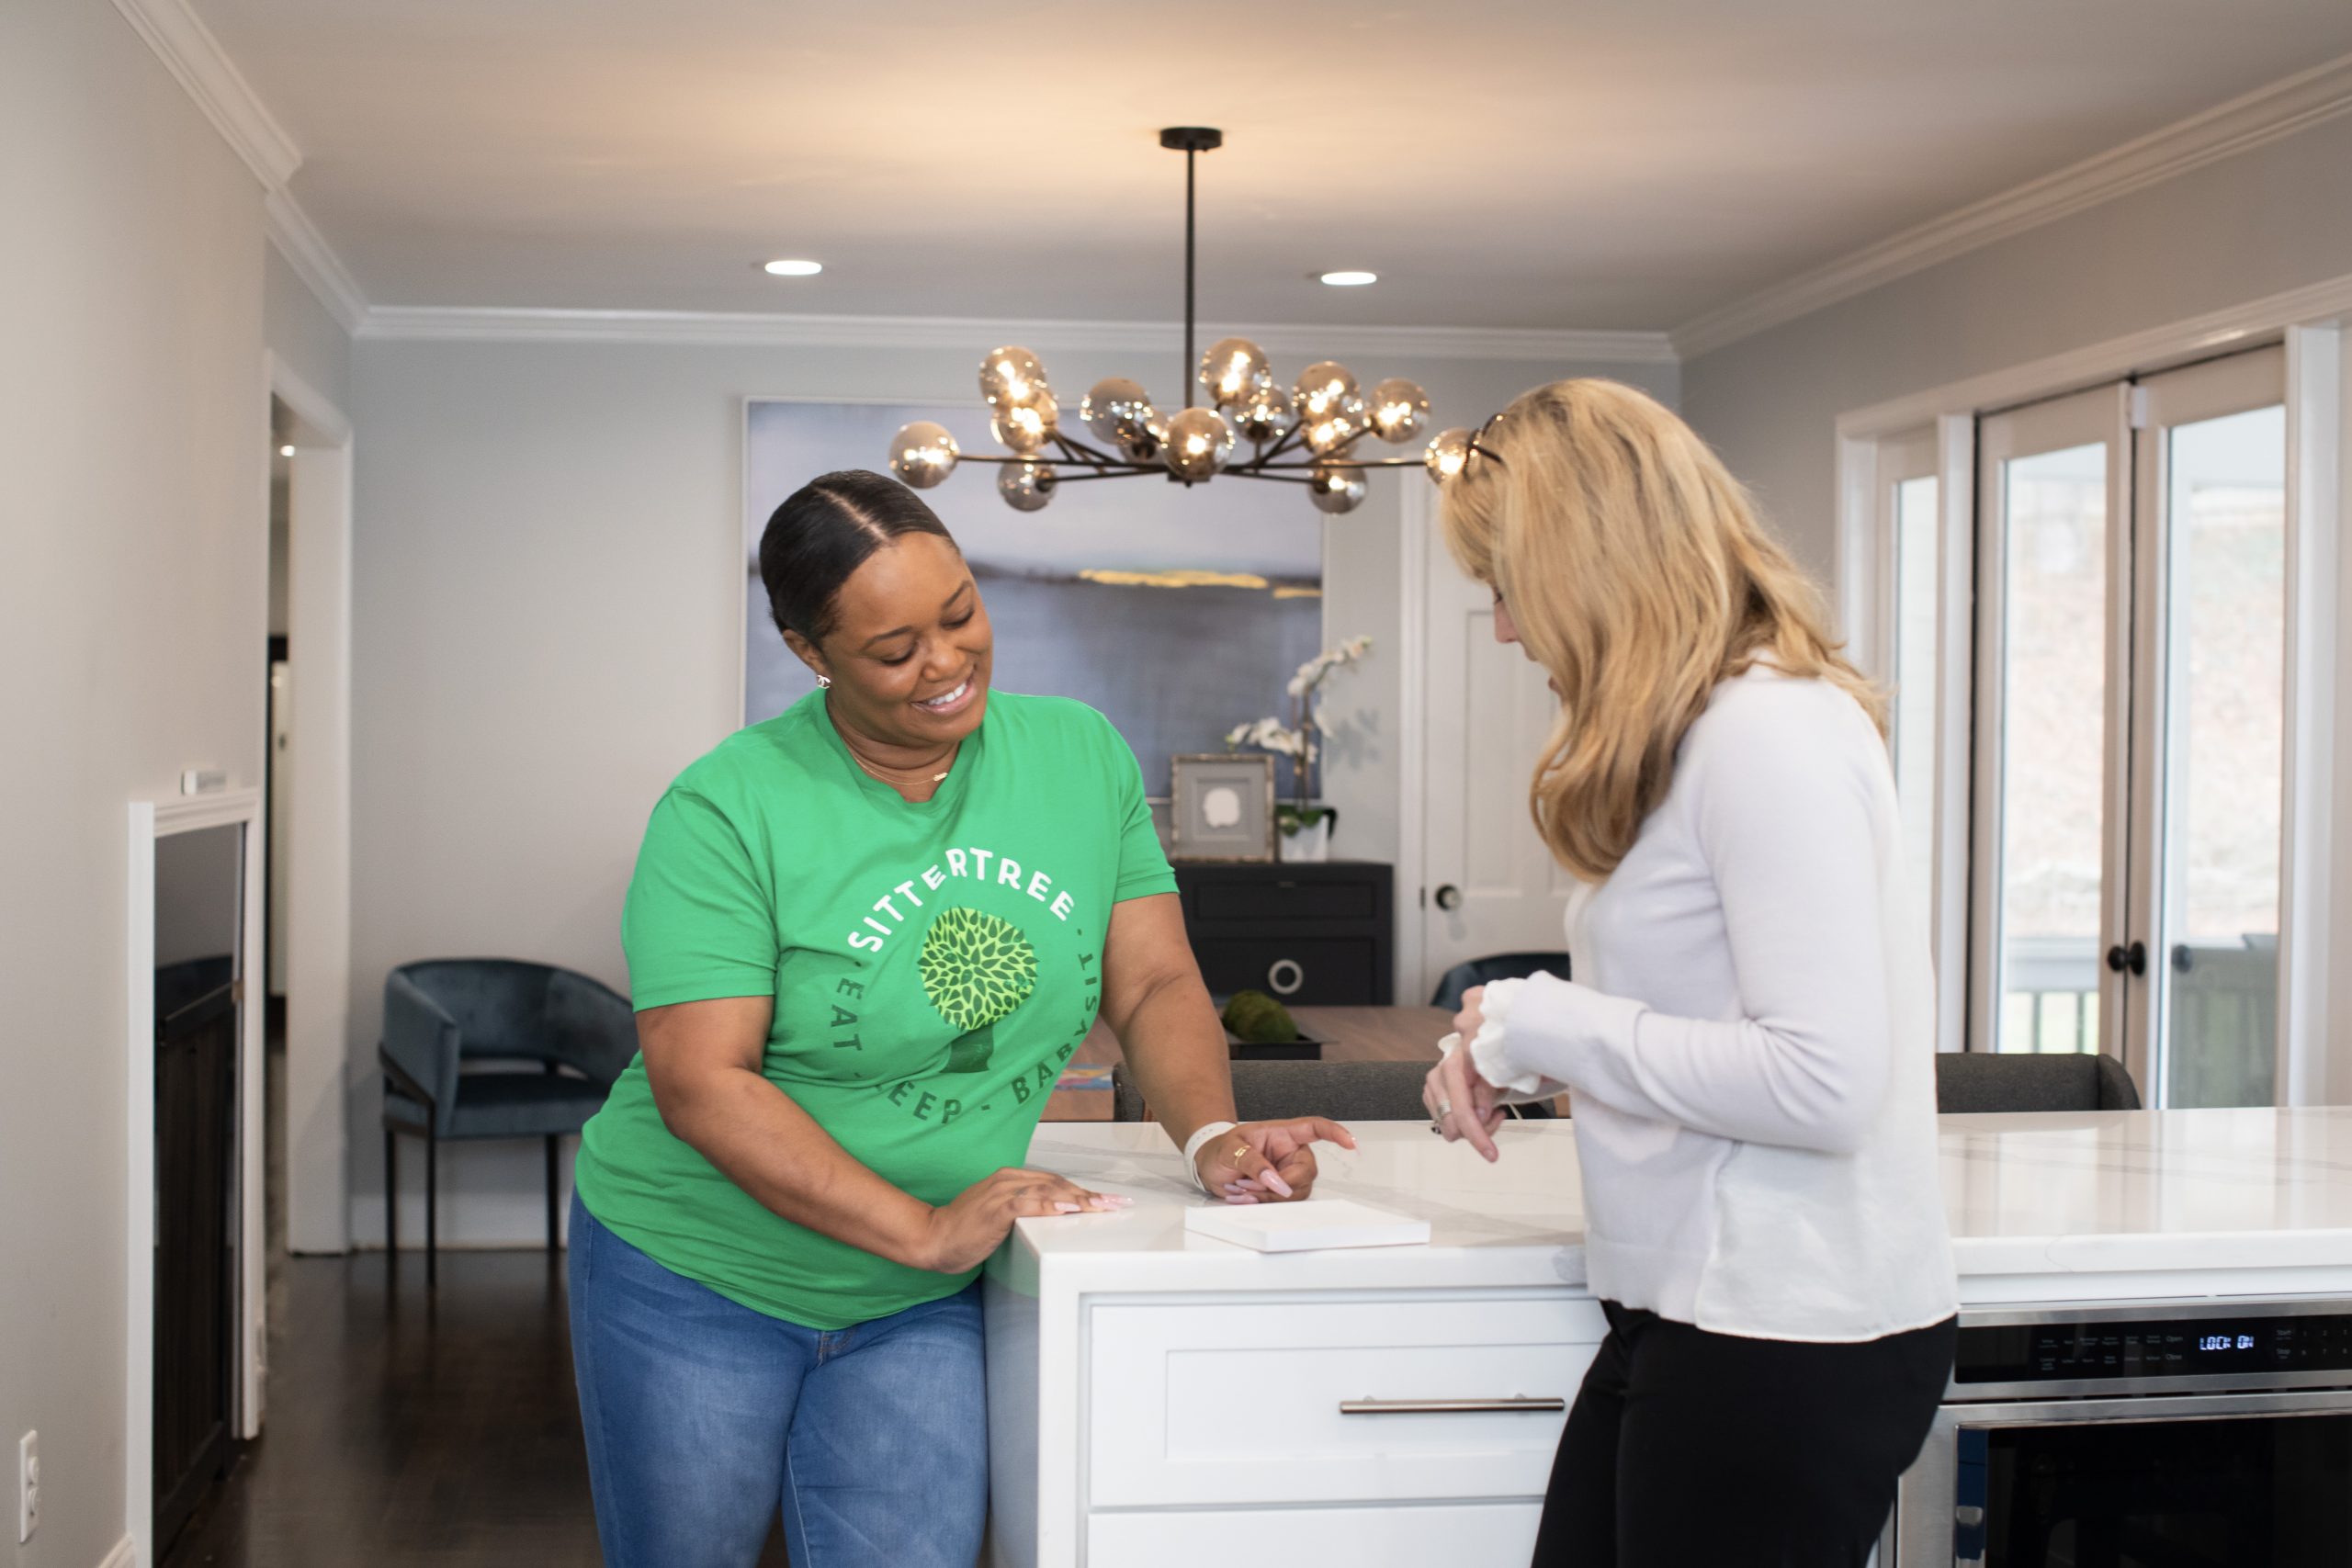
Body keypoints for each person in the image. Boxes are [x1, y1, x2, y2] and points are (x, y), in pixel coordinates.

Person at [569, 468, 1352, 1568]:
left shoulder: (1077, 756)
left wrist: (1213, 1138)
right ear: (809, 652)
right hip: (699, 1275)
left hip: (915, 1294)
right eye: (895, 650)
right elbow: (705, 1083)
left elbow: (1154, 984)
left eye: (961, 616)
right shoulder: (725, 809)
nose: (945, 664)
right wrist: (924, 1229)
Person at [1419, 382, 1957, 1567]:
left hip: (1783, 1331)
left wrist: (1541, 1017)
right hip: (1699, 1313)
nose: (1503, 628)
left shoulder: (1771, 732)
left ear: (1585, 563)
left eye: (1503, 585)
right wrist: (1513, 1050)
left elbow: (1820, 1082)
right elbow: (1696, 1020)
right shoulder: (1706, 728)